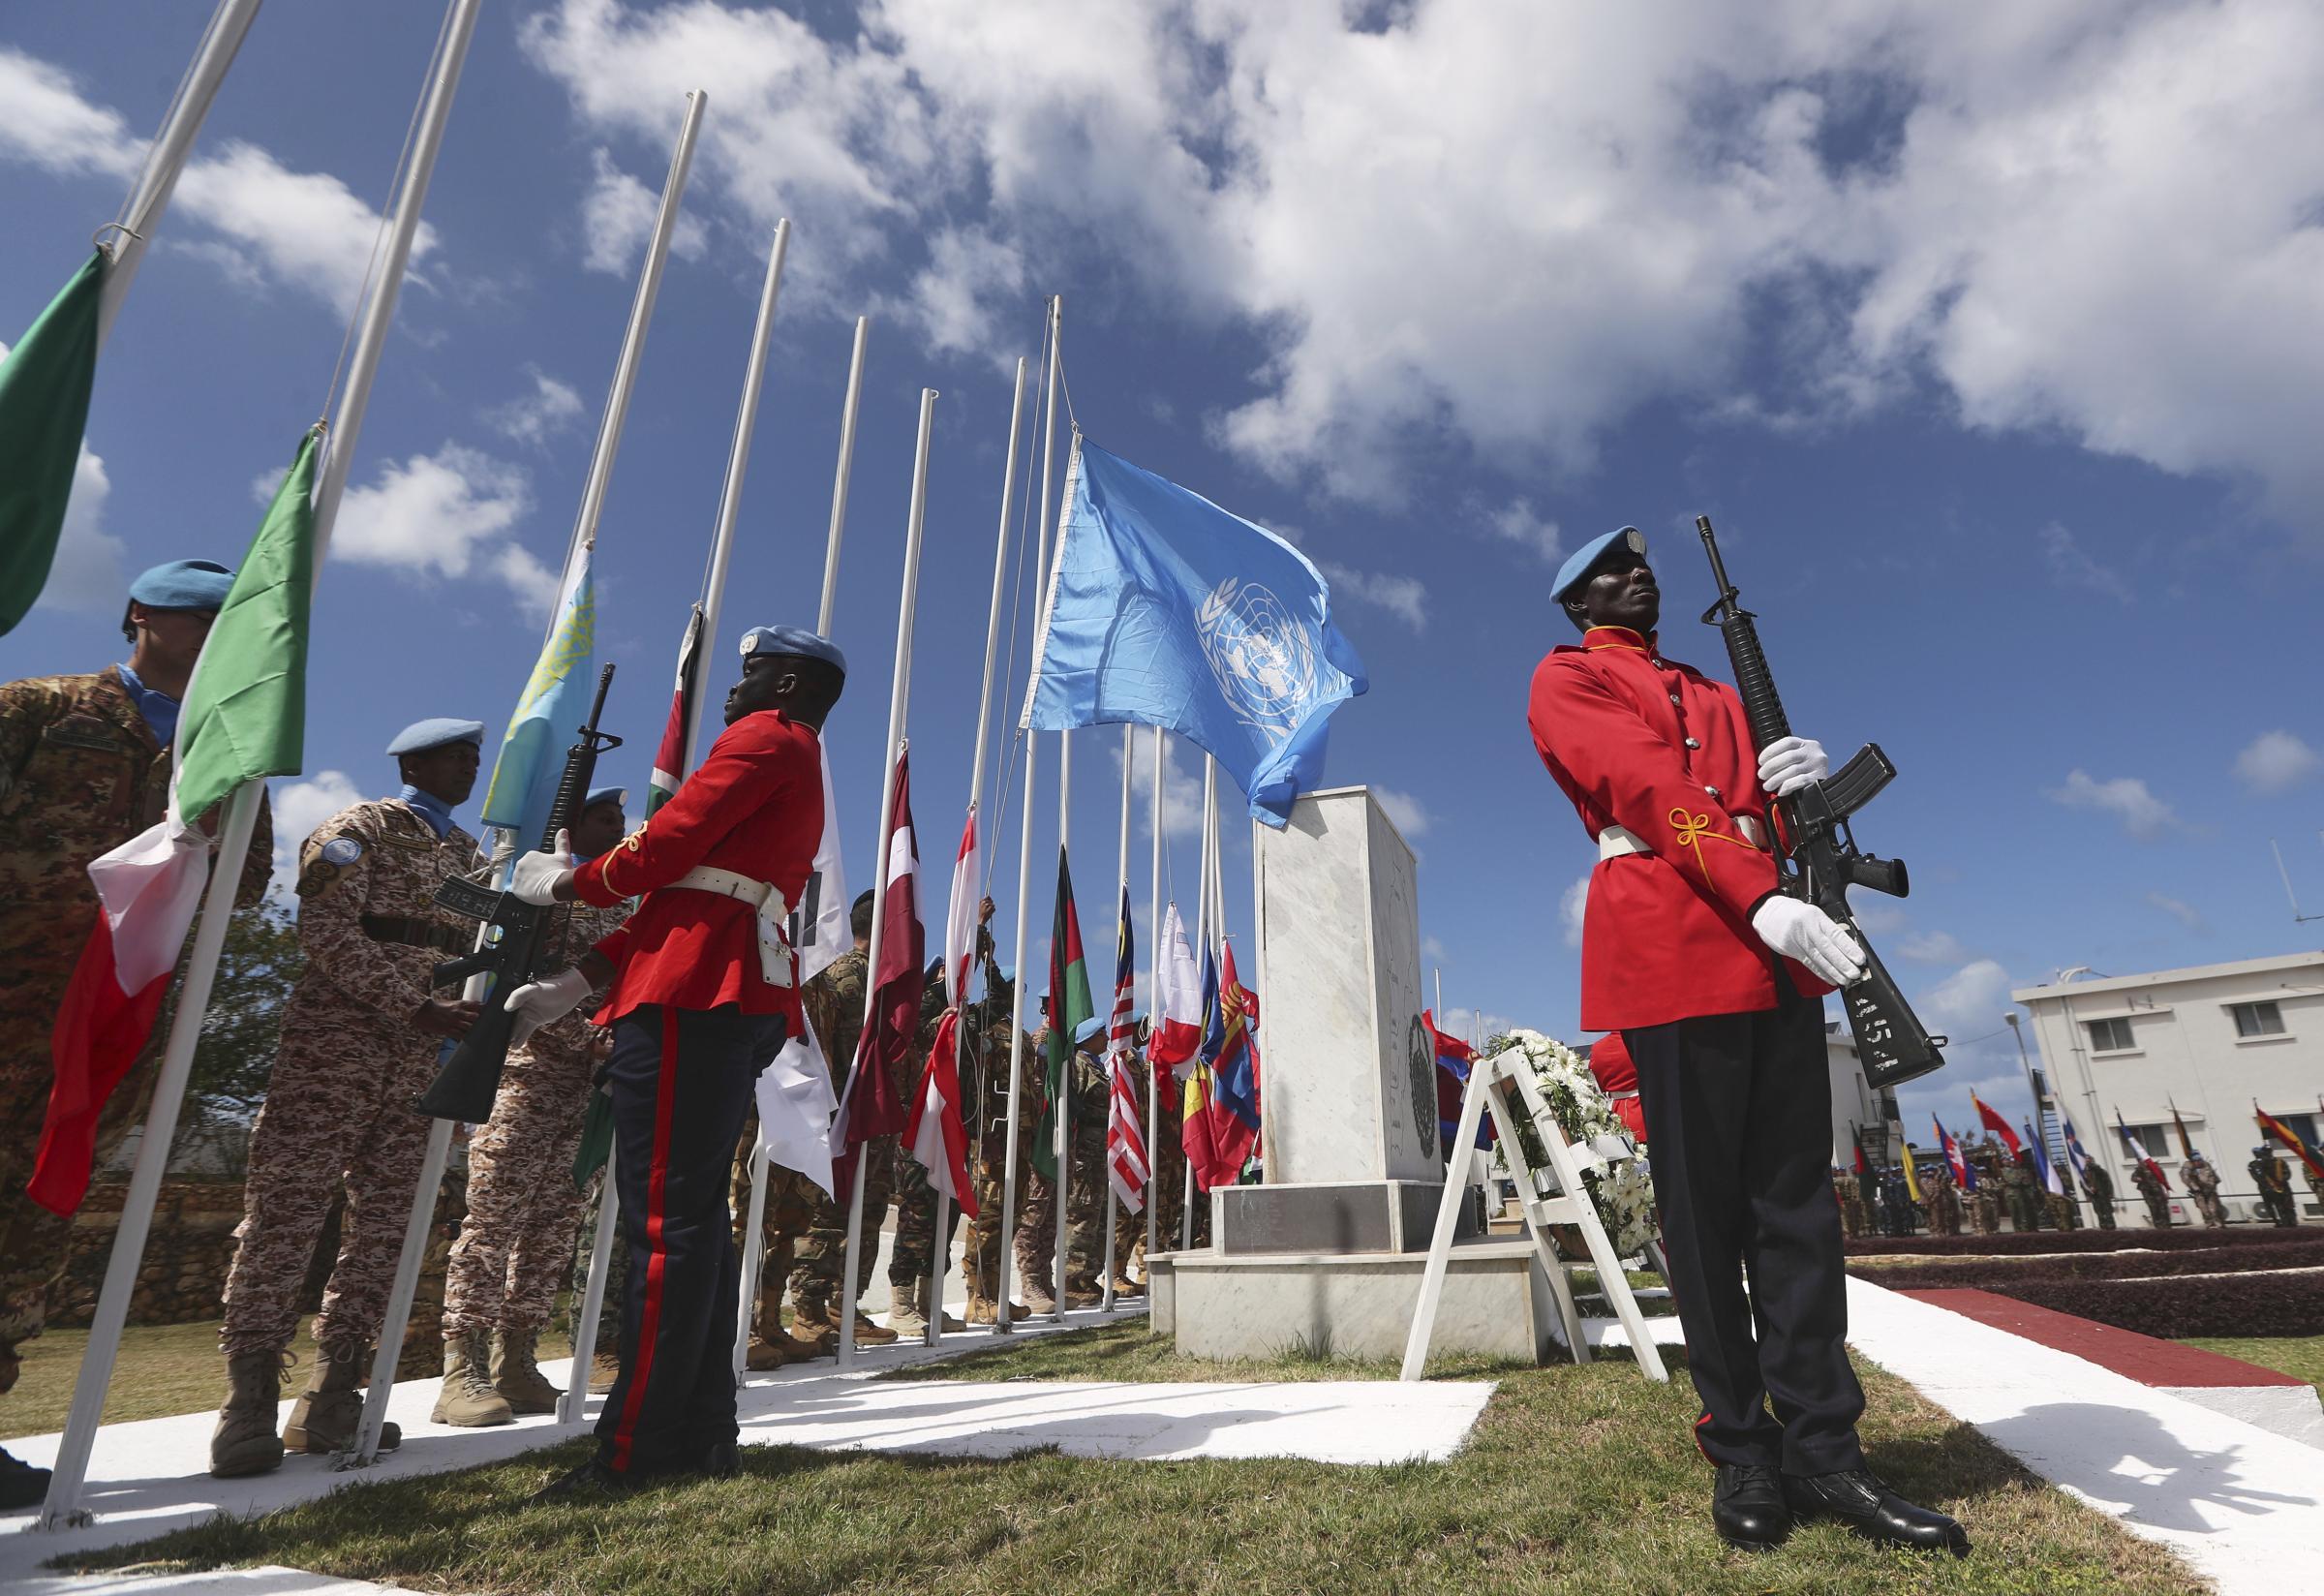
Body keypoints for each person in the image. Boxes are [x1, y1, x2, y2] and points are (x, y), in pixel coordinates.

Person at [1527, 524, 1966, 1555]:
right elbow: (1652, 793)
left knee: (1797, 1212)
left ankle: (1827, 1451)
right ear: (1578, 603)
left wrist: (1793, 786)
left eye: (1642, 564)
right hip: (1677, 950)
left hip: (1771, 952)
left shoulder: (1714, 688)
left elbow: (1749, 802)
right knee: (1705, 1213)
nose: (1638, 575)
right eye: (1611, 571)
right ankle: (1742, 1451)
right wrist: (1759, 893)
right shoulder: (1567, 680)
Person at [499, 625, 843, 1497]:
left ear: (791, 683)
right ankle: (697, 1430)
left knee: (666, 1226)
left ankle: (635, 1450)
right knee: (690, 1225)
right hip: (712, 981)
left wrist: (570, 882)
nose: (733, 692)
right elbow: (682, 904)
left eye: (752, 673)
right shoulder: (791, 752)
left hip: (699, 995)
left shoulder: (767, 736)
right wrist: (575, 982)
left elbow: (668, 849)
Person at [0, 560, 273, 1506]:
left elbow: (244, 885)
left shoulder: (224, 756)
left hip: (113, 1024)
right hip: (11, 996)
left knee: (37, 1217)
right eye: (197, 613)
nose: (212, 631)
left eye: (224, 617)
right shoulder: (40, 707)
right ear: (138, 615)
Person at [209, 717, 485, 1477]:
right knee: (287, 1214)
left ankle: (334, 1394)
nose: (468, 768)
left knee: (389, 1231)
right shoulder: (355, 828)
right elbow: (327, 934)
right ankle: (248, 1404)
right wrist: (414, 1005)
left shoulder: (469, 858)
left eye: (474, 758)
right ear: (417, 762)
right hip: (335, 1049)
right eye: (456, 756)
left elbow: (475, 960)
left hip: (421, 1065)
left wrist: (452, 1037)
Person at [436, 786, 633, 1423]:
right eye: (605, 818)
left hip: (587, 1085)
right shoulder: (545, 891)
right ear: (573, 827)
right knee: (493, 1219)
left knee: (552, 1228)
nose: (620, 828)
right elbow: (522, 973)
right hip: (529, 1069)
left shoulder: (627, 907)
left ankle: (515, 1360)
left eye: (623, 820)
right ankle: (459, 1368)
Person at [788, 891, 894, 1351]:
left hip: (871, 1110)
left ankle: (842, 1304)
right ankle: (809, 1311)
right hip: (843, 1111)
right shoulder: (848, 974)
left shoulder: (879, 978)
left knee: (866, 1214)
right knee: (830, 1214)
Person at [886, 960, 966, 1336]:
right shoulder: (912, 1026)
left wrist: (979, 947)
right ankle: (900, 1306)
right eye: (939, 980)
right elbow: (918, 1019)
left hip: (943, 1132)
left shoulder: (951, 1027)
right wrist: (939, 992)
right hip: (914, 1134)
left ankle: (926, 1302)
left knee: (944, 1218)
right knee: (916, 1217)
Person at [963, 964, 1037, 1324]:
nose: (1018, 995)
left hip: (1020, 1138)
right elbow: (979, 1085)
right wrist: (984, 1134)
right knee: (988, 1217)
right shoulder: (987, 1030)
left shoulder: (1018, 1034)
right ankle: (977, 1298)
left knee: (1011, 1217)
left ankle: (995, 1295)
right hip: (993, 1137)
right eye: (1013, 988)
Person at [2249, 1146, 2298, 1228]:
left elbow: (2287, 1173)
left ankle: (2292, 1222)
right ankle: (2280, 1222)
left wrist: (2282, 1181)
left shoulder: (2279, 1161)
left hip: (2283, 1187)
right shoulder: (2258, 1164)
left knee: (2288, 1205)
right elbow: (2259, 1177)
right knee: (2276, 1206)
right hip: (2267, 1188)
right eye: (2266, 1152)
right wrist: (2270, 1185)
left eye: (2269, 1151)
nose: (2268, 1154)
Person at [2181, 1152, 2227, 1229]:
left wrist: (2211, 1186)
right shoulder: (2187, 1167)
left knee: (2214, 1209)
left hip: (2210, 1190)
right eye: (2196, 1160)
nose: (2199, 1162)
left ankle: (2219, 1225)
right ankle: (2210, 1224)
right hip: (2198, 1192)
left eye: (2200, 1159)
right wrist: (2195, 1187)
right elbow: (2186, 1178)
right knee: (2204, 1209)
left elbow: (2214, 1177)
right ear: (2192, 1161)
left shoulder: (2206, 1165)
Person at [2131, 1159, 2172, 1229]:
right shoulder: (2140, 1169)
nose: (2142, 1162)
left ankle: (2167, 1225)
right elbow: (2133, 1178)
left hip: (2158, 1191)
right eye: (2140, 1160)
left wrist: (2166, 1191)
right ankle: (2158, 1226)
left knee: (2163, 1207)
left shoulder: (2156, 1168)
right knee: (2154, 1208)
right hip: (2148, 1192)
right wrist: (2138, 1179)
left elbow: (2164, 1180)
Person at [1924, 1164, 1962, 1237]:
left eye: (1943, 1167)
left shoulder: (1945, 1177)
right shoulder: (1928, 1180)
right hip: (1933, 1200)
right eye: (1930, 1170)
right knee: (1934, 1217)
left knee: (1947, 1215)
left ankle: (1948, 1231)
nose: (1932, 1172)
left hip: (1945, 1198)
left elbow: (1949, 1186)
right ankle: (1936, 1232)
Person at [2080, 1159, 2117, 1230]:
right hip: (2094, 1195)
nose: (2087, 1162)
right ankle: (2103, 1226)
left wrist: (2110, 1193)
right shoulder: (2084, 1173)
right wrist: (2087, 1194)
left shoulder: (2099, 1171)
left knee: (2107, 1210)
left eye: (2089, 1160)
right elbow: (2083, 1184)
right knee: (2098, 1211)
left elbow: (2108, 1182)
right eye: (2085, 1161)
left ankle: (2111, 1226)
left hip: (2103, 1194)